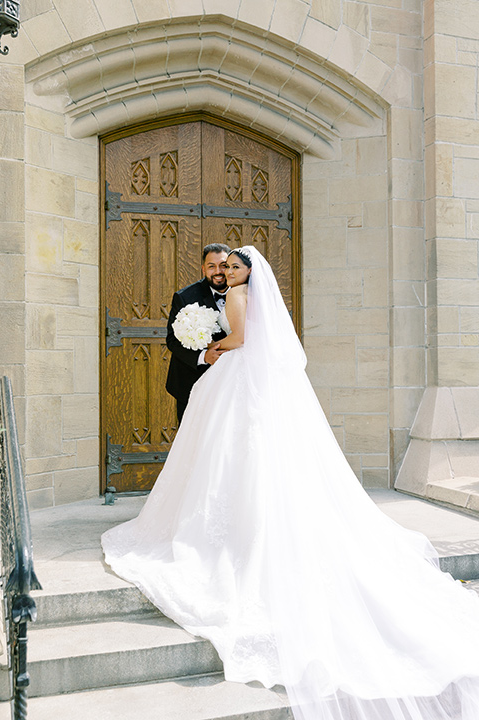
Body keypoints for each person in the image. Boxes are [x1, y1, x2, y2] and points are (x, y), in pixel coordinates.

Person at [103, 246, 479, 720]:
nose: (228, 273)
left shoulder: (239, 295)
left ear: (244, 271)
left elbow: (238, 339)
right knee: (225, 453)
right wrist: (204, 351)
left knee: (238, 453)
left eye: (235, 266)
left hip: (235, 377)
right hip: (227, 382)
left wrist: (217, 348)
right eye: (222, 267)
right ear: (207, 269)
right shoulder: (216, 295)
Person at [165, 243, 231, 423]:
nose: (218, 271)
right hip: (193, 381)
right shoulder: (185, 297)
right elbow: (172, 340)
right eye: (211, 266)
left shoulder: (245, 293)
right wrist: (204, 357)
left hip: (233, 382)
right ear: (203, 269)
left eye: (223, 265)